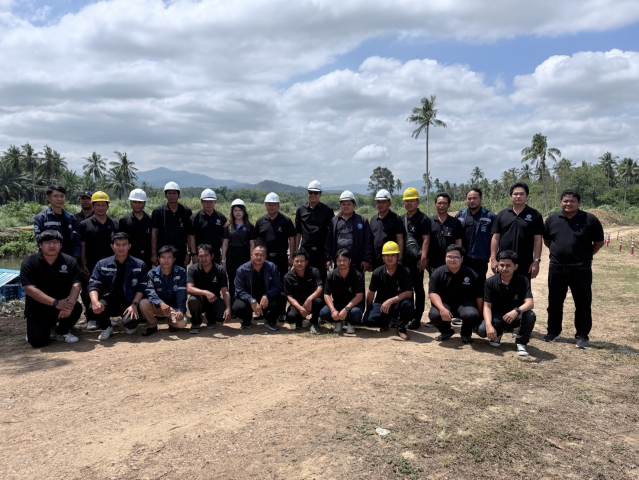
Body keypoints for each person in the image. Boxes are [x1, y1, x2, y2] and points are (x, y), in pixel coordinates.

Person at [543, 190, 604, 348]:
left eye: (572, 201)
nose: (568, 204)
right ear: (561, 202)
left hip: (581, 268)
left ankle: (582, 336)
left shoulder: (590, 220)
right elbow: (547, 241)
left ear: (579, 203)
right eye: (565, 201)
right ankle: (553, 331)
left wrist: (586, 255)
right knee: (555, 301)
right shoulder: (552, 220)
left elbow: (599, 242)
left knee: (583, 302)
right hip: (557, 268)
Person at [21, 230, 83, 347]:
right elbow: (30, 289)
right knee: (37, 342)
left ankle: (61, 332)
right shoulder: (30, 263)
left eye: (55, 242)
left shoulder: (69, 261)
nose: (52, 245)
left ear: (61, 245)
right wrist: (55, 302)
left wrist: (69, 305)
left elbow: (77, 285)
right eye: (47, 242)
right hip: (38, 306)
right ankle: (46, 328)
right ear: (40, 245)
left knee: (76, 308)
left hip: (63, 304)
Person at [86, 232, 148, 341]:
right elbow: (93, 285)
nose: (121, 248)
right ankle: (107, 327)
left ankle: (128, 323)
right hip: (108, 302)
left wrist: (134, 304)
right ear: (112, 246)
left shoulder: (139, 264)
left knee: (131, 324)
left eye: (124, 244)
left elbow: (141, 287)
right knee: (93, 307)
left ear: (129, 246)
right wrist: (95, 302)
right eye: (118, 245)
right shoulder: (102, 264)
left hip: (129, 302)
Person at [476, 250, 536, 356]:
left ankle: (521, 342)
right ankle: (498, 332)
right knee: (482, 330)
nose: (504, 268)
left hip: (515, 316)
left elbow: (530, 303)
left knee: (530, 315)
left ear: (515, 267)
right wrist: (489, 325)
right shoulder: (490, 282)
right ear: (498, 266)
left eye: (508, 265)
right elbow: (487, 306)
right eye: (502, 265)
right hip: (497, 317)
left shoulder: (523, 280)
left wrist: (516, 311)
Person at [79, 191, 119, 330]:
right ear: (93, 206)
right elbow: (83, 246)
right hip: (92, 263)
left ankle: (105, 317)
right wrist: (83, 264)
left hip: (111, 264)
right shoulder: (85, 224)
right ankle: (91, 318)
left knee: (108, 290)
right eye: (97, 205)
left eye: (103, 205)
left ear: (108, 206)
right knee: (89, 290)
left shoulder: (114, 224)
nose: (101, 208)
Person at [428, 245, 483, 343]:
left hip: (465, 305)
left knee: (471, 314)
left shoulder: (471, 274)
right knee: (434, 315)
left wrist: (480, 314)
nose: (452, 260)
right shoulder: (437, 273)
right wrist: (442, 309)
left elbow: (479, 296)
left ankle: (466, 334)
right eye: (449, 257)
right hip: (445, 304)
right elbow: (433, 293)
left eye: (456, 257)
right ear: (445, 257)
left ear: (462, 259)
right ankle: (446, 331)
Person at [255, 192, 296, 321]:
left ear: (278, 205)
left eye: (274, 204)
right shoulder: (260, 221)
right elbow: (257, 240)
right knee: (263, 283)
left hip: (281, 257)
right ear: (265, 205)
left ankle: (281, 312)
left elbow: (292, 239)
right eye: (269, 204)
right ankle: (263, 311)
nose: (271, 207)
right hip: (264, 259)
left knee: (281, 284)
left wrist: (292, 257)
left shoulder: (286, 220)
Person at [490, 182, 543, 280]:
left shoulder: (535, 215)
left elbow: (538, 240)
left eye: (522, 194)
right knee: (502, 287)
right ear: (511, 196)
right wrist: (493, 259)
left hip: (524, 262)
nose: (518, 196)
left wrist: (536, 261)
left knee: (523, 287)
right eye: (515, 194)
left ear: (527, 197)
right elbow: (495, 238)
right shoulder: (502, 215)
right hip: (504, 261)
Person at [363, 241, 414, 340]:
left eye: (393, 255)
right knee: (368, 320)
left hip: (398, 304)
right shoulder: (377, 272)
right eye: (387, 255)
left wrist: (390, 301)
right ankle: (385, 322)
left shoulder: (405, 272)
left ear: (398, 256)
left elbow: (409, 293)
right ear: (383, 257)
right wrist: (368, 310)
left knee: (408, 305)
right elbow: (371, 292)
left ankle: (401, 328)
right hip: (382, 305)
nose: (390, 258)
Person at [139, 245, 188, 336]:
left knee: (182, 323)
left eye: (169, 257)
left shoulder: (181, 272)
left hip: (173, 308)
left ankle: (172, 323)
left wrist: (181, 310)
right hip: (159, 307)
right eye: (163, 257)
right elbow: (150, 291)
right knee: (143, 303)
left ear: (174, 259)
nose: (166, 260)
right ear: (159, 259)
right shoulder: (152, 273)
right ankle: (152, 325)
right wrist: (160, 303)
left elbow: (181, 292)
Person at [232, 245, 282, 331]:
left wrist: (267, 295)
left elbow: (278, 285)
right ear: (251, 255)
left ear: (266, 256)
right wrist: (251, 300)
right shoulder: (242, 270)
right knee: (238, 307)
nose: (259, 257)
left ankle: (270, 320)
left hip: (265, 299)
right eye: (256, 254)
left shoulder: (272, 267)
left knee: (282, 297)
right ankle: (247, 320)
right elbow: (239, 290)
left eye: (262, 255)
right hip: (249, 299)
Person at [401, 187, 431, 330]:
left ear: (418, 202)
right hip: (405, 261)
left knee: (418, 288)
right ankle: (408, 314)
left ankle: (417, 317)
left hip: (418, 261)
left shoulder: (423, 219)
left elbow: (426, 239)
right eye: (407, 201)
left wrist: (423, 258)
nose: (409, 203)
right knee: (406, 288)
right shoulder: (402, 219)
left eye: (412, 200)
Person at [294, 180, 335, 282]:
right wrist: (296, 252)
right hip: (305, 251)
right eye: (310, 192)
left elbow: (331, 234)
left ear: (320, 194)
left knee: (321, 279)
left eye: (316, 193)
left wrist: (329, 256)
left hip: (321, 252)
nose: (313, 195)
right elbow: (298, 232)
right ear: (308, 193)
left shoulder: (328, 211)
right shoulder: (301, 210)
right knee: (304, 278)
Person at [186, 244, 232, 334]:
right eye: (200, 256)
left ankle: (211, 318)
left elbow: (225, 291)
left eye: (206, 255)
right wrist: (205, 292)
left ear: (212, 256)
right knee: (193, 300)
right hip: (199, 300)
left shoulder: (220, 270)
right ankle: (196, 322)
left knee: (221, 314)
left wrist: (228, 308)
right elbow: (189, 288)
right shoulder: (193, 269)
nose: (203, 259)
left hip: (214, 300)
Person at [325, 190, 373, 273]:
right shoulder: (334, 221)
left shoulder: (362, 221)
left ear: (354, 206)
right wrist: (328, 258)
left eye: (349, 204)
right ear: (340, 206)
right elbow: (329, 241)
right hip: (339, 261)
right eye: (343, 204)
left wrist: (366, 259)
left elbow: (368, 241)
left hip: (357, 262)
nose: (346, 206)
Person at [319, 249, 365, 335]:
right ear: (336, 261)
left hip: (353, 306)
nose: (342, 263)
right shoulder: (331, 276)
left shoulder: (358, 275)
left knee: (356, 313)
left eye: (344, 260)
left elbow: (359, 296)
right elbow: (326, 294)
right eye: (339, 260)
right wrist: (333, 310)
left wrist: (346, 309)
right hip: (338, 305)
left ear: (350, 261)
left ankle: (351, 323)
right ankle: (338, 321)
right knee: (324, 313)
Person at [456, 188, 496, 284]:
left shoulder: (490, 216)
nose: (472, 201)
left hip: (480, 258)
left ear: (481, 199)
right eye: (469, 198)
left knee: (479, 285)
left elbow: (495, 238)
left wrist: (494, 258)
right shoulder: (460, 216)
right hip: (463, 258)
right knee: (463, 284)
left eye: (475, 198)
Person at [151, 181, 193, 268]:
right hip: (163, 252)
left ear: (179, 195)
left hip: (180, 252)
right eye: (169, 193)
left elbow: (189, 235)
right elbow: (154, 233)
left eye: (174, 193)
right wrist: (154, 253)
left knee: (180, 275)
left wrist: (189, 253)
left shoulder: (186, 211)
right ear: (166, 195)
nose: (172, 195)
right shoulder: (158, 212)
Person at [221, 199, 256, 300]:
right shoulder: (228, 226)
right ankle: (232, 302)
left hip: (244, 255)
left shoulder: (249, 226)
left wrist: (252, 260)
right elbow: (225, 244)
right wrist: (223, 260)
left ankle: (244, 301)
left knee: (245, 279)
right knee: (232, 279)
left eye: (240, 210)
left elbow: (252, 245)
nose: (238, 212)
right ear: (232, 212)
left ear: (244, 212)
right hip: (231, 255)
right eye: (235, 210)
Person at [34, 185, 81, 259]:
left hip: (69, 258)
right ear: (48, 198)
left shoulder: (71, 218)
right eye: (55, 196)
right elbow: (39, 240)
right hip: (49, 259)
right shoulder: (41, 218)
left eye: (62, 196)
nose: (59, 199)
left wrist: (75, 257)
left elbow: (76, 240)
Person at [283, 249, 325, 330]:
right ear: (293, 262)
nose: (299, 263)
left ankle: (314, 321)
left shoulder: (314, 271)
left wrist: (310, 299)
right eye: (297, 261)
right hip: (298, 303)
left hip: (312, 302)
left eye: (302, 261)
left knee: (319, 302)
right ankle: (299, 319)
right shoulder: (288, 277)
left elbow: (320, 288)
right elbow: (289, 297)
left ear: (306, 262)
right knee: (291, 317)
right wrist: (300, 308)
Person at [189, 189, 227, 264]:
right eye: (206, 202)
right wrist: (194, 254)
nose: (208, 204)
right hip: (200, 254)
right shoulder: (195, 218)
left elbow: (224, 239)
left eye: (211, 202)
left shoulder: (221, 218)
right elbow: (192, 237)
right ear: (202, 202)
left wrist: (223, 256)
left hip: (215, 254)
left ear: (215, 202)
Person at [427, 192, 463, 273]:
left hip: (451, 261)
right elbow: (426, 241)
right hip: (433, 261)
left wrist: (458, 256)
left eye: (444, 203)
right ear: (435, 205)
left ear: (449, 205)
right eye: (439, 203)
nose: (442, 205)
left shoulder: (455, 222)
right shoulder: (429, 222)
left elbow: (458, 241)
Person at [370, 189, 405, 270]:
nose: (381, 205)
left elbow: (400, 239)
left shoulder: (396, 219)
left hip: (391, 259)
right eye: (379, 202)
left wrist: (400, 258)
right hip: (377, 260)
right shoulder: (373, 220)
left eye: (383, 202)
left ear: (389, 204)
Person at [118, 188, 153, 270]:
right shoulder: (124, 221)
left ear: (144, 203)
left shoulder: (151, 220)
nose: (137, 204)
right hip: (129, 257)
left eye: (140, 202)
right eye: (134, 202)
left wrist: (154, 254)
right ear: (131, 203)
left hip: (147, 257)